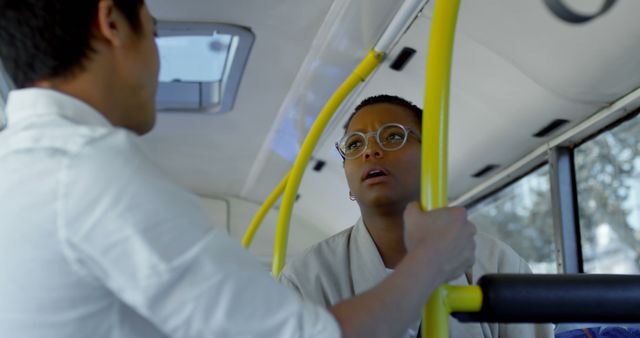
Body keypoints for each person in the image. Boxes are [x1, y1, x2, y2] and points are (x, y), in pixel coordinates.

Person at [0, 1, 476, 337]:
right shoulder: (93, 173)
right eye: (154, 30)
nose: (158, 58)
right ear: (112, 23)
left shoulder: (20, 167)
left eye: (392, 139)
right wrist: (431, 260)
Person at [280, 95, 555, 338]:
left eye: (392, 136)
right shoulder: (307, 276)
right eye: (354, 144)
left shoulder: (497, 263)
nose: (370, 151)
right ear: (347, 176)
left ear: (431, 156)